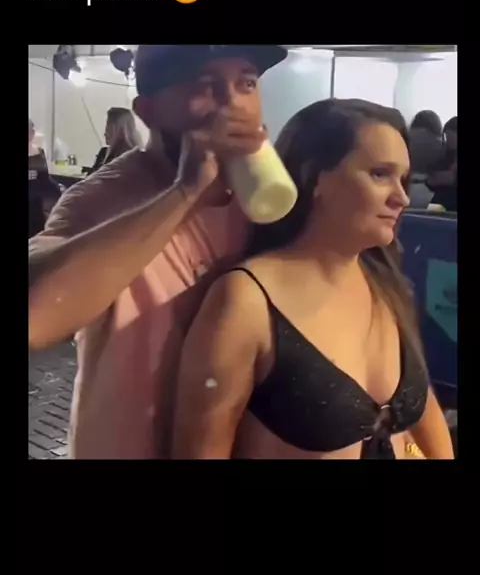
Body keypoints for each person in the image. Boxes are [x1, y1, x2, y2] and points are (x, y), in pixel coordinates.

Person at [28, 44, 287, 459]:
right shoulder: (100, 199)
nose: (233, 105)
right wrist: (185, 191)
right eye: (205, 86)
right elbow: (35, 317)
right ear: (147, 111)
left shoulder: (265, 197)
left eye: (247, 84)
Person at [172, 99, 454, 459]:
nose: (401, 197)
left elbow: (427, 413)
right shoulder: (245, 300)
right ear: (313, 177)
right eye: (379, 174)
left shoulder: (386, 285)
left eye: (402, 179)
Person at [28, 119, 61, 238]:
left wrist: (59, 189)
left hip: (36, 204)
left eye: (32, 130)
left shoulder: (39, 152)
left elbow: (45, 179)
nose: (31, 133)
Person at [90, 107, 143, 174]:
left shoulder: (125, 159)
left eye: (107, 128)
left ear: (117, 130)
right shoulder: (138, 157)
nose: (104, 133)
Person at [427, 116, 457, 211]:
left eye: (452, 136)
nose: (449, 140)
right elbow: (431, 178)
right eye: (447, 136)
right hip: (441, 202)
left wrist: (453, 179)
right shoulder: (446, 155)